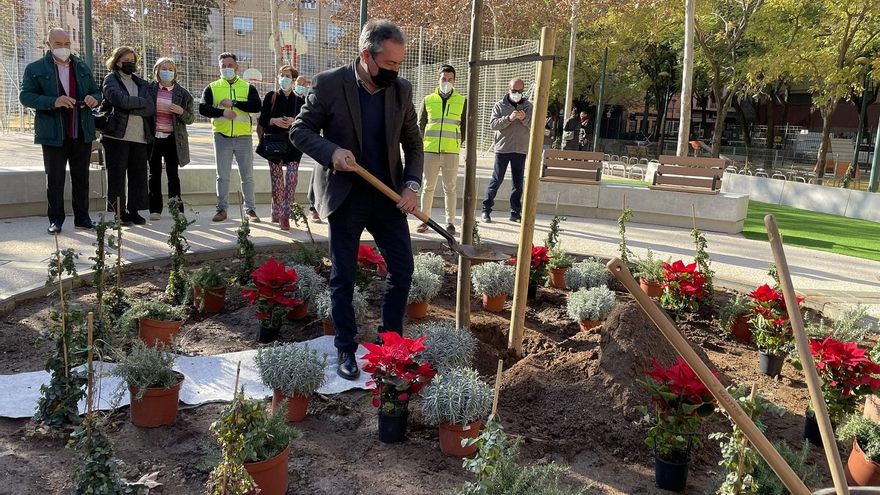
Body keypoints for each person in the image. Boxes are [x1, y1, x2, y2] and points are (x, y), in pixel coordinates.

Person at [291, 19, 423, 380]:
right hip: (345, 196)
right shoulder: (329, 84)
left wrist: (412, 185)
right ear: (366, 55)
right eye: (390, 64)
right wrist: (331, 152)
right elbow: (299, 131)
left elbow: (413, 143)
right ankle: (346, 348)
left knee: (402, 268)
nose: (396, 71)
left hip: (388, 196)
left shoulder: (401, 90)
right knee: (343, 275)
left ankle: (391, 343)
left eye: (400, 64)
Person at [20, 28, 101, 234]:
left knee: (81, 178)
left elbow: (96, 91)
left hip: (81, 131)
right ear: (48, 44)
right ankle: (55, 219)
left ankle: (83, 218)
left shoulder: (81, 66)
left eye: (67, 44)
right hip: (53, 134)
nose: (63, 48)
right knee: (55, 179)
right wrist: (53, 101)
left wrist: (94, 98)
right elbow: (26, 96)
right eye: (58, 44)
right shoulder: (35, 68)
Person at [198, 53, 262, 223]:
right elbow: (203, 108)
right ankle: (221, 209)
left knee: (247, 176)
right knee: (222, 176)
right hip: (221, 136)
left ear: (236, 66)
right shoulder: (212, 87)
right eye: (223, 66)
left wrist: (234, 103)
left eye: (230, 65)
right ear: (219, 68)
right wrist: (222, 112)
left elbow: (256, 106)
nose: (227, 68)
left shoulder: (248, 87)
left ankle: (250, 210)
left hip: (243, 137)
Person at [101, 46, 155, 226]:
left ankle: (134, 210)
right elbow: (119, 100)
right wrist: (139, 103)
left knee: (138, 176)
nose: (130, 63)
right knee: (117, 176)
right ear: (117, 61)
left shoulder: (142, 83)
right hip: (117, 136)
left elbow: (150, 108)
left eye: (133, 60)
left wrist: (133, 105)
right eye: (127, 60)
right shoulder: (111, 79)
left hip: (139, 137)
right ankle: (119, 212)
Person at [416, 64, 466, 235]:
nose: (447, 81)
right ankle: (424, 220)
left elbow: (465, 126)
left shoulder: (462, 101)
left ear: (455, 80)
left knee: (450, 188)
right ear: (438, 79)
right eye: (444, 79)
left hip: (451, 152)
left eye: (450, 79)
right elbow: (420, 125)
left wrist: (457, 142)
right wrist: (423, 144)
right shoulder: (428, 99)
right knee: (428, 186)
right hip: (430, 151)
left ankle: (450, 222)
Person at [144, 57, 194, 220]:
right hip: (153, 138)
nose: (167, 72)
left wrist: (181, 111)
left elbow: (190, 119)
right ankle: (155, 210)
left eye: (170, 69)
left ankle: (177, 210)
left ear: (175, 72)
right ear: (157, 71)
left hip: (173, 139)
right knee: (154, 174)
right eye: (164, 69)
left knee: (173, 175)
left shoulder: (183, 94)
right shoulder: (149, 90)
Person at [257, 66, 307, 231]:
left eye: (288, 76)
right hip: (274, 143)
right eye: (282, 75)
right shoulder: (272, 96)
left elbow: (305, 123)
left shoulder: (299, 100)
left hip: (293, 144)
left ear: (293, 80)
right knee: (277, 179)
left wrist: (294, 121)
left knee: (292, 178)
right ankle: (276, 211)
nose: (284, 78)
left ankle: (285, 215)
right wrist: (274, 121)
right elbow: (262, 119)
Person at [481, 77, 532, 224]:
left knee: (518, 183)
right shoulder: (499, 105)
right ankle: (486, 210)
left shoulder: (528, 106)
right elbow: (493, 124)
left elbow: (535, 125)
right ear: (508, 89)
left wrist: (525, 118)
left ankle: (515, 213)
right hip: (503, 149)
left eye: (520, 91)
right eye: (514, 90)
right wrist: (508, 118)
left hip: (520, 150)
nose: (517, 93)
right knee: (496, 180)